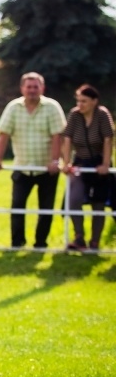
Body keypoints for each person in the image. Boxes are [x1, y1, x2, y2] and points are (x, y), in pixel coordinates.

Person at [0, 72, 66, 249]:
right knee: (17, 207)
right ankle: (17, 243)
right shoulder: (13, 107)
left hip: (47, 168)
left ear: (42, 88)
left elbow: (58, 137)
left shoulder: (52, 107)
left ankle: (41, 243)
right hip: (22, 166)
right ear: (22, 88)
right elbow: (3, 135)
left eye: (35, 87)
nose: (32, 90)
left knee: (46, 209)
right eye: (29, 87)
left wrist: (55, 161)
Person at [60, 84, 114, 252]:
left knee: (98, 203)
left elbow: (108, 139)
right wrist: (67, 163)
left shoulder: (102, 114)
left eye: (84, 101)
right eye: (78, 101)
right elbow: (67, 139)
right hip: (80, 162)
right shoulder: (74, 115)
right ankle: (79, 237)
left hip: (98, 162)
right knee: (73, 199)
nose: (80, 104)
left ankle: (95, 241)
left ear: (94, 101)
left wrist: (105, 164)